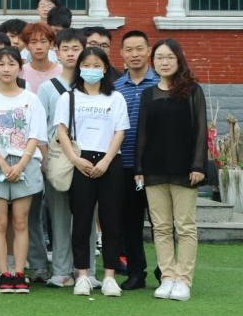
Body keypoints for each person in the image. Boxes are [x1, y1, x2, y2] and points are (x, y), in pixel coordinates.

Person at [54, 47, 130, 298]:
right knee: (81, 221)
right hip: (80, 160)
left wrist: (107, 160)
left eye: (97, 65)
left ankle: (109, 276)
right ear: (79, 68)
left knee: (111, 221)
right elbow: (61, 131)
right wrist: (76, 160)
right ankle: (82, 275)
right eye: (86, 65)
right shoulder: (68, 97)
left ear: (105, 68)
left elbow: (120, 131)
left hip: (109, 161)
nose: (91, 70)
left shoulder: (115, 98)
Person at [135, 39, 207, 302]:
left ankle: (183, 280)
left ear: (179, 60)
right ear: (153, 62)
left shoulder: (193, 91)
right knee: (161, 227)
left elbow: (201, 130)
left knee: (185, 227)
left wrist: (198, 165)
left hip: (185, 170)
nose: (164, 62)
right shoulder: (148, 94)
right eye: (159, 58)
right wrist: (139, 167)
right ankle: (167, 277)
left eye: (169, 57)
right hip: (154, 170)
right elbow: (142, 132)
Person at [0, 47, 48, 294]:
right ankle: (3, 273)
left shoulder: (31, 98)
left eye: (11, 64)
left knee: (20, 221)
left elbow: (35, 135)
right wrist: (3, 163)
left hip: (25, 163)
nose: (6, 69)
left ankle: (19, 272)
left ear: (20, 67)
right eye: (2, 64)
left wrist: (20, 164)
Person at [36, 30, 97, 288]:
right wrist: (44, 159)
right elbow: (40, 127)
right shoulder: (47, 88)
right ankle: (61, 270)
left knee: (87, 217)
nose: (71, 54)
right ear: (57, 53)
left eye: (76, 48)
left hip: (88, 159)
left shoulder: (94, 87)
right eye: (65, 49)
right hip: (58, 157)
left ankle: (87, 269)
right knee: (59, 216)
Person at [113, 30, 159, 290]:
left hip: (156, 166)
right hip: (125, 164)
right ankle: (135, 272)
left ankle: (165, 270)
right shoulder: (116, 88)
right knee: (129, 222)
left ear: (149, 51)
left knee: (161, 222)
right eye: (129, 50)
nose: (134, 54)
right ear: (121, 54)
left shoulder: (161, 83)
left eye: (139, 49)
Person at [19, 23, 60, 94]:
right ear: (26, 46)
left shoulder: (62, 72)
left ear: (51, 44)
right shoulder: (20, 72)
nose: (39, 47)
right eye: (33, 42)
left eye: (43, 41)